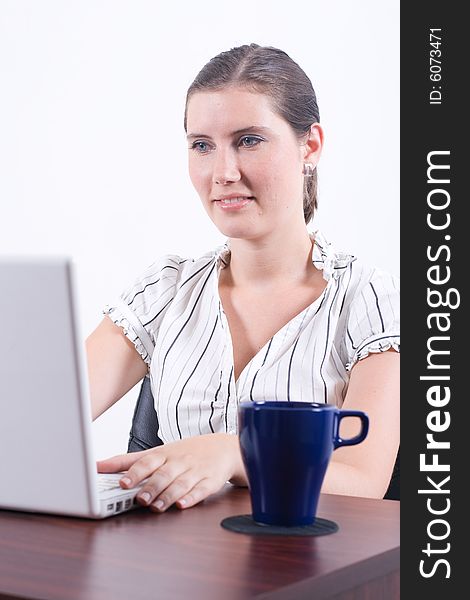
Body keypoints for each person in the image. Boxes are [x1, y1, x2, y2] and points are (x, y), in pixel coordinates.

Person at [86, 43, 400, 513]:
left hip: (312, 570)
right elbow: (40, 422)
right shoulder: (166, 291)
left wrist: (234, 453)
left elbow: (364, 481)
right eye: (202, 146)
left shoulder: (365, 298)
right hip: (172, 569)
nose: (223, 172)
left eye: (249, 140)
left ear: (309, 145)